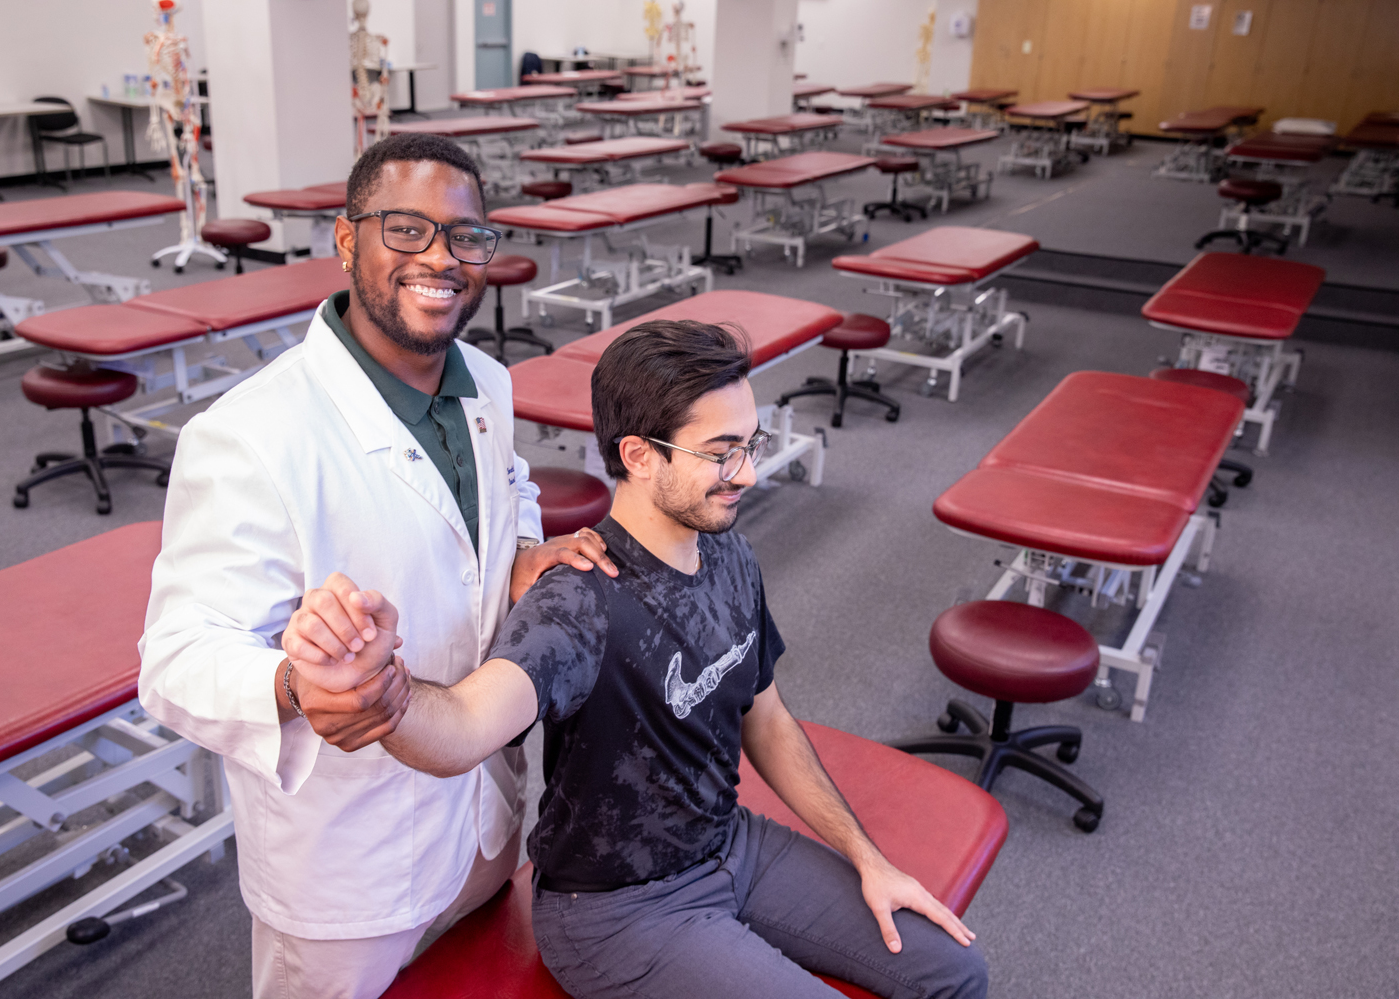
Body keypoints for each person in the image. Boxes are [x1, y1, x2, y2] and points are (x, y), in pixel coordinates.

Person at [285, 320, 989, 999]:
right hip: (618, 911)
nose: (746, 473)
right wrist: (380, 687)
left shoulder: (728, 551)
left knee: (955, 972)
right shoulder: (581, 601)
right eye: (720, 453)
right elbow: (467, 725)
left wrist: (869, 859)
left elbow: (766, 719)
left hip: (731, 846)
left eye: (751, 443)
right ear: (638, 455)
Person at [138, 133, 614, 999]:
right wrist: (295, 683)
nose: (441, 257)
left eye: (466, 236)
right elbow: (173, 656)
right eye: (406, 229)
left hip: (485, 821)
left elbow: (508, 491)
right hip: (348, 866)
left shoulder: (487, 384)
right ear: (348, 240)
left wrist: (520, 555)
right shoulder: (250, 434)